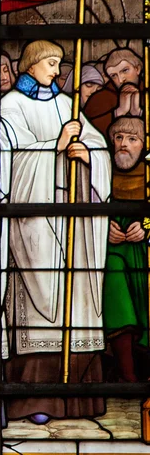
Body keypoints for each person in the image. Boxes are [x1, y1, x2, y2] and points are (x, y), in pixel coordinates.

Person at [0, 40, 111, 424]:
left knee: (74, 301)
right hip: (34, 220)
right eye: (51, 62)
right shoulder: (11, 105)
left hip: (72, 219)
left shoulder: (66, 105)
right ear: (30, 65)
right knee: (39, 302)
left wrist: (88, 156)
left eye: (59, 63)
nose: (56, 70)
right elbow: (8, 165)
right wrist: (54, 149)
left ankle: (77, 400)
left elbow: (98, 146)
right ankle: (35, 400)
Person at [103, 117, 149, 382]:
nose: (124, 144)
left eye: (132, 139)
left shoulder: (148, 173)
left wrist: (146, 225)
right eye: (119, 138)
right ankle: (127, 373)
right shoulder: (101, 171)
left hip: (143, 249)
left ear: (143, 145)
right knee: (114, 275)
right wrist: (102, 225)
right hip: (110, 247)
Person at [84, 48, 143, 136]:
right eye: (114, 75)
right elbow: (87, 132)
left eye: (125, 70)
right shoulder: (100, 98)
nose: (120, 80)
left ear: (137, 69)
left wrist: (138, 112)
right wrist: (119, 112)